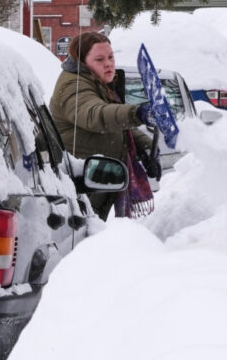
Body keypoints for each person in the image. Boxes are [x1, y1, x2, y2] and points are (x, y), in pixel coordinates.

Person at [50, 31, 159, 220]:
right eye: (99, 59)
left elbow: (118, 125)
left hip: (96, 184)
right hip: (78, 192)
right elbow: (95, 114)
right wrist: (136, 113)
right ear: (82, 62)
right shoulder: (74, 86)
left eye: (110, 56)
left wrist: (145, 147)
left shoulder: (98, 82)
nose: (108, 63)